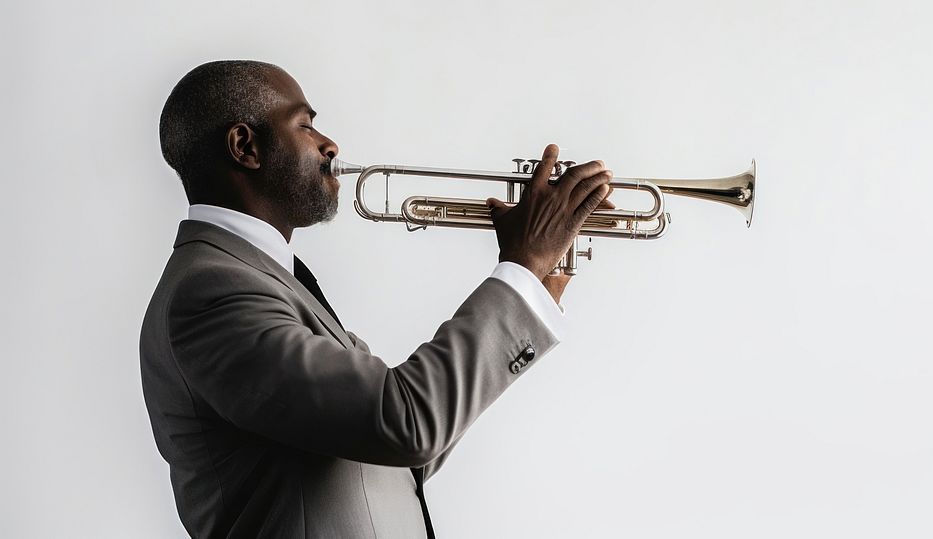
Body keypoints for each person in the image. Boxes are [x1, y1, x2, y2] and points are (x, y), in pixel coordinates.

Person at [139, 60, 613, 538]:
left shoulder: (270, 278)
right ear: (245, 146)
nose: (330, 145)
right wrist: (520, 273)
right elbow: (405, 423)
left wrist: (536, 288)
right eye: (305, 125)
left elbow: (397, 459)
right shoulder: (213, 291)